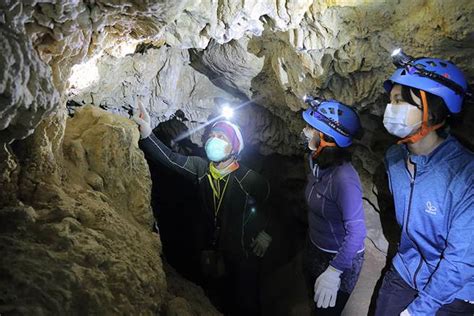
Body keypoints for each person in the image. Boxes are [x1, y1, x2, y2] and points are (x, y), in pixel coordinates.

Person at [132, 99, 271, 316]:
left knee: (246, 301)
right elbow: (170, 159)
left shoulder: (249, 180)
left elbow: (270, 206)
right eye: (212, 136)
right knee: (215, 297)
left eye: (221, 137)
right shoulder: (201, 168)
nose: (214, 141)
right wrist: (147, 134)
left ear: (233, 147)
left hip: (243, 252)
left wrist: (266, 233)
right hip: (211, 248)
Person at [374, 50, 474, 316]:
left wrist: (419, 311)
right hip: (406, 269)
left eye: (399, 101)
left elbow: (461, 261)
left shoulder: (466, 176)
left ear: (433, 110)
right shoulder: (394, 158)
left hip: (456, 291)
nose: (390, 108)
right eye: (390, 100)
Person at [301, 96, 366, 315]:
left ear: (327, 138)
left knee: (326, 311)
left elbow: (357, 233)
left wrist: (334, 271)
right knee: (314, 300)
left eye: (311, 128)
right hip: (315, 248)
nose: (306, 131)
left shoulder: (344, 180)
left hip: (340, 259)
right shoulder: (315, 162)